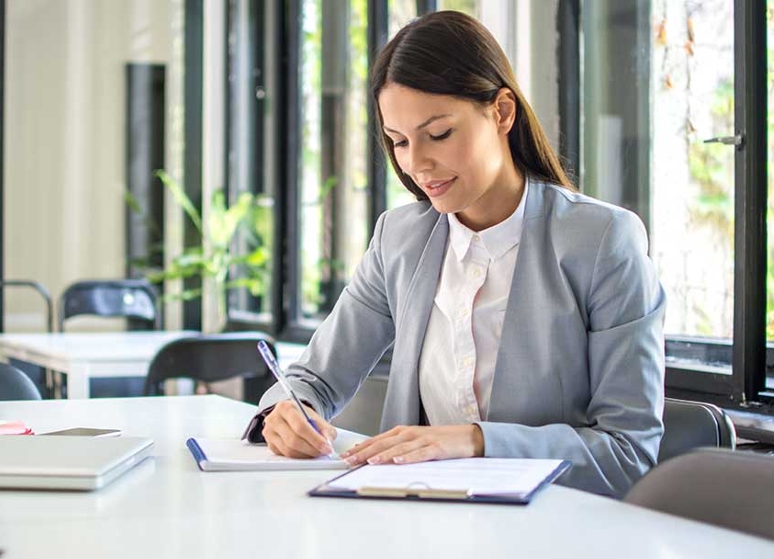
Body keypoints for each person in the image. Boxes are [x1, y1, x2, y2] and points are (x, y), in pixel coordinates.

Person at [243, 10, 665, 497]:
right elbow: (312, 378)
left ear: (502, 112)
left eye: (438, 134)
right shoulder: (398, 239)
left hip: (554, 534)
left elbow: (628, 451)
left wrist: (475, 441)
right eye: (398, 142)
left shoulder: (602, 240)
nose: (417, 164)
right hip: (417, 528)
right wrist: (286, 412)